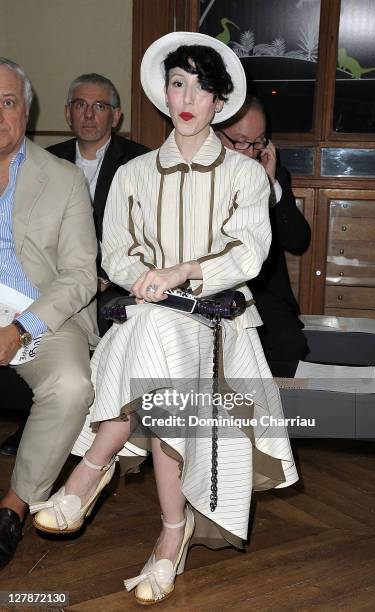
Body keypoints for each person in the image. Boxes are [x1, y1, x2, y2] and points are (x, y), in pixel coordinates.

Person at [32, 32, 298, 605]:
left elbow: (249, 253)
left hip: (219, 325)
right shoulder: (134, 175)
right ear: (163, 91)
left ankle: (90, 471)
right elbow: (115, 253)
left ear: (219, 101)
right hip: (151, 320)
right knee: (154, 346)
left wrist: (179, 273)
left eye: (202, 88)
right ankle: (170, 536)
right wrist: (141, 280)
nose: (188, 96)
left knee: (150, 337)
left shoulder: (246, 176)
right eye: (178, 83)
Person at [0, 58, 98, 570]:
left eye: (8, 101)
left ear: (27, 110)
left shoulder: (62, 179)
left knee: (73, 384)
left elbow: (81, 274)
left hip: (41, 316)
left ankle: (14, 506)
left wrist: (20, 328)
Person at [47, 73, 149, 336]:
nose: (89, 115)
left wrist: (101, 276)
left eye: (99, 106)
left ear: (116, 116)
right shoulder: (47, 162)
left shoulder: (141, 162)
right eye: (81, 105)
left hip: (115, 283)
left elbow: (146, 233)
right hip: (55, 279)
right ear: (68, 113)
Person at [216, 96, 311, 377]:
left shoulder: (272, 172)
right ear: (217, 135)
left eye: (259, 142)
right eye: (242, 141)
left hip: (263, 295)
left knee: (289, 348)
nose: (251, 152)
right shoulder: (200, 173)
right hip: (210, 290)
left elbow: (298, 240)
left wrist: (269, 187)